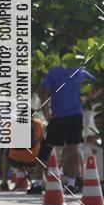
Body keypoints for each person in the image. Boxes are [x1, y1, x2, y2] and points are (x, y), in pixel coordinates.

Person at [38, 48, 96, 194]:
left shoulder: (59, 72)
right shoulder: (78, 72)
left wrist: (46, 111)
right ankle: (67, 182)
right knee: (71, 150)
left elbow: (44, 93)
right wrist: (88, 96)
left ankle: (45, 182)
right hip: (69, 116)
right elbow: (97, 86)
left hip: (64, 116)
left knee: (50, 148)